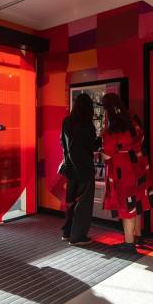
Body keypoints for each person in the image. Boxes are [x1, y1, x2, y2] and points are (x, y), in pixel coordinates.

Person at [100, 93, 153, 253]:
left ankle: (129, 244)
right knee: (136, 201)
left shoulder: (112, 130)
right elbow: (140, 138)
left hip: (123, 171)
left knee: (127, 205)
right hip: (139, 166)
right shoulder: (134, 120)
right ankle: (138, 235)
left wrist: (101, 149)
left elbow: (107, 154)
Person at [60, 93, 99, 245]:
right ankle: (78, 237)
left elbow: (62, 143)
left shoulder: (67, 122)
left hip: (70, 167)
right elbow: (93, 145)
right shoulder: (87, 124)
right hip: (85, 168)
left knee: (70, 202)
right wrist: (101, 138)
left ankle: (67, 232)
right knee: (83, 204)